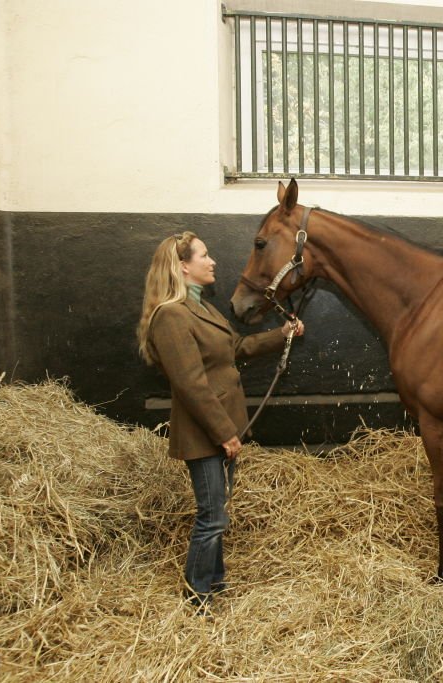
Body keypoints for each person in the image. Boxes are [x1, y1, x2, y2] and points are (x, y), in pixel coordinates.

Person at [136, 231, 304, 615]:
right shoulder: (172, 315)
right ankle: (197, 597)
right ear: (183, 266)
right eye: (204, 256)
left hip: (220, 427)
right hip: (205, 432)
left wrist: (281, 335)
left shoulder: (205, 310)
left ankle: (215, 582)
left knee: (218, 513)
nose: (212, 262)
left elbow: (237, 349)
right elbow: (190, 384)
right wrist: (225, 433)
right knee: (211, 518)